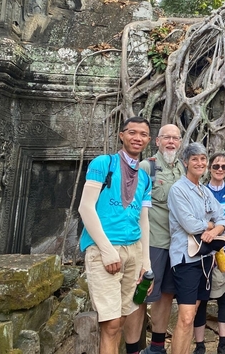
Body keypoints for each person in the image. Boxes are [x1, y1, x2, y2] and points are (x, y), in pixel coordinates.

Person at [78, 116, 153, 354]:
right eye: (132, 132)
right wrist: (107, 250)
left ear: (149, 140)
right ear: (121, 135)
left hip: (133, 249)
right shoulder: (103, 163)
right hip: (105, 249)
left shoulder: (144, 177)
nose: (137, 138)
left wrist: (146, 263)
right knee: (110, 324)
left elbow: (144, 219)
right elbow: (85, 207)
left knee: (121, 319)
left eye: (143, 134)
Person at [123, 124, 185, 354]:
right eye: (166, 137)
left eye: (175, 138)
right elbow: (132, 205)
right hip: (152, 242)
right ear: (157, 141)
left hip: (176, 243)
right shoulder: (146, 167)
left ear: (180, 142)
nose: (171, 142)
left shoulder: (183, 167)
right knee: (140, 295)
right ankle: (133, 349)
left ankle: (157, 346)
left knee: (167, 294)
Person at [168, 143, 225, 354]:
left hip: (206, 258)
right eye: (195, 159)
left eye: (203, 159)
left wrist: (214, 229)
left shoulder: (204, 191)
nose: (200, 163)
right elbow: (191, 225)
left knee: (192, 314)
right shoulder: (178, 190)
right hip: (186, 259)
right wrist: (211, 225)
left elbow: (223, 217)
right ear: (185, 162)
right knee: (185, 316)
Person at [192, 152, 225, 354]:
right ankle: (200, 345)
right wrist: (211, 237)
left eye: (224, 166)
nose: (220, 169)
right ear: (209, 168)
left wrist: (219, 237)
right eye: (216, 166)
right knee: (201, 297)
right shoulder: (200, 190)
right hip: (204, 249)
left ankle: (223, 343)